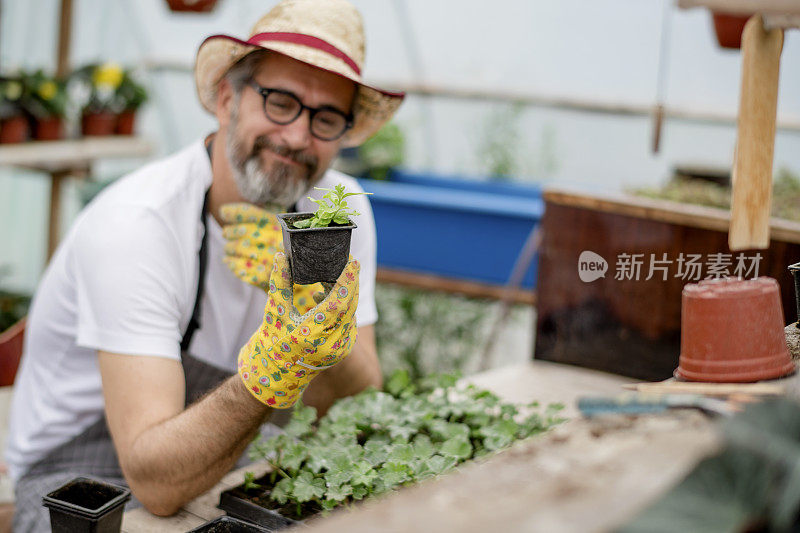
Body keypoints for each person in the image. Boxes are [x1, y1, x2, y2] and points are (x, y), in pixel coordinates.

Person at [5, 0, 404, 529]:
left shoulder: (336, 212)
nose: (297, 136)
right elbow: (155, 482)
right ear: (226, 100)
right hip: (83, 482)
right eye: (280, 101)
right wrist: (273, 370)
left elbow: (354, 403)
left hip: (229, 456)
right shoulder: (140, 224)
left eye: (326, 117)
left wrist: (311, 297)